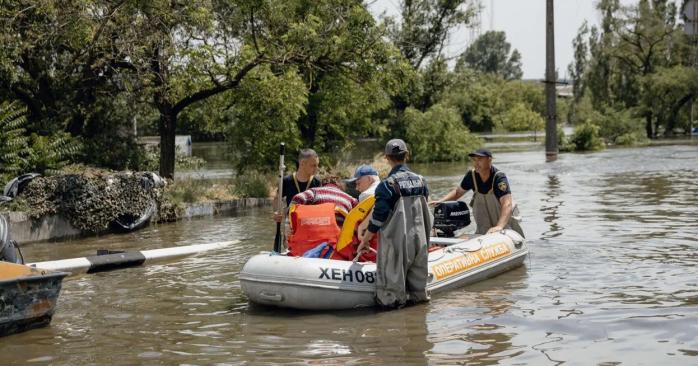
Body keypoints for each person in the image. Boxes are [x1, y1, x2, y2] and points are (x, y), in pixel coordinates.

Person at [358, 138, 431, 308]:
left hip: (397, 244)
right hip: (420, 242)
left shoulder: (386, 185)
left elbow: (378, 218)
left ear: (387, 157)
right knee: (420, 297)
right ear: (407, 155)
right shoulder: (421, 180)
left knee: (391, 297)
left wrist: (366, 239)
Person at [429, 148, 524, 237]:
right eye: (474, 160)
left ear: (489, 160)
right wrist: (441, 201)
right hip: (485, 228)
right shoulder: (471, 175)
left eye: (480, 159)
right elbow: (458, 192)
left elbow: (507, 204)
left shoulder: (499, 178)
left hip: (505, 226)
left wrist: (499, 227)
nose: (476, 163)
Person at [273, 149, 321, 222]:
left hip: (311, 224)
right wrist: (277, 212)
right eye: (313, 165)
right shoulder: (287, 181)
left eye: (317, 165)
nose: (317, 168)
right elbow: (277, 199)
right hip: (291, 224)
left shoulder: (317, 182)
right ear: (302, 163)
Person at [290, 175, 358, 227]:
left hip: (317, 233)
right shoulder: (350, 199)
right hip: (340, 237)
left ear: (322, 185)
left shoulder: (315, 191)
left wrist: (292, 222)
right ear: (340, 186)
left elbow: (298, 198)